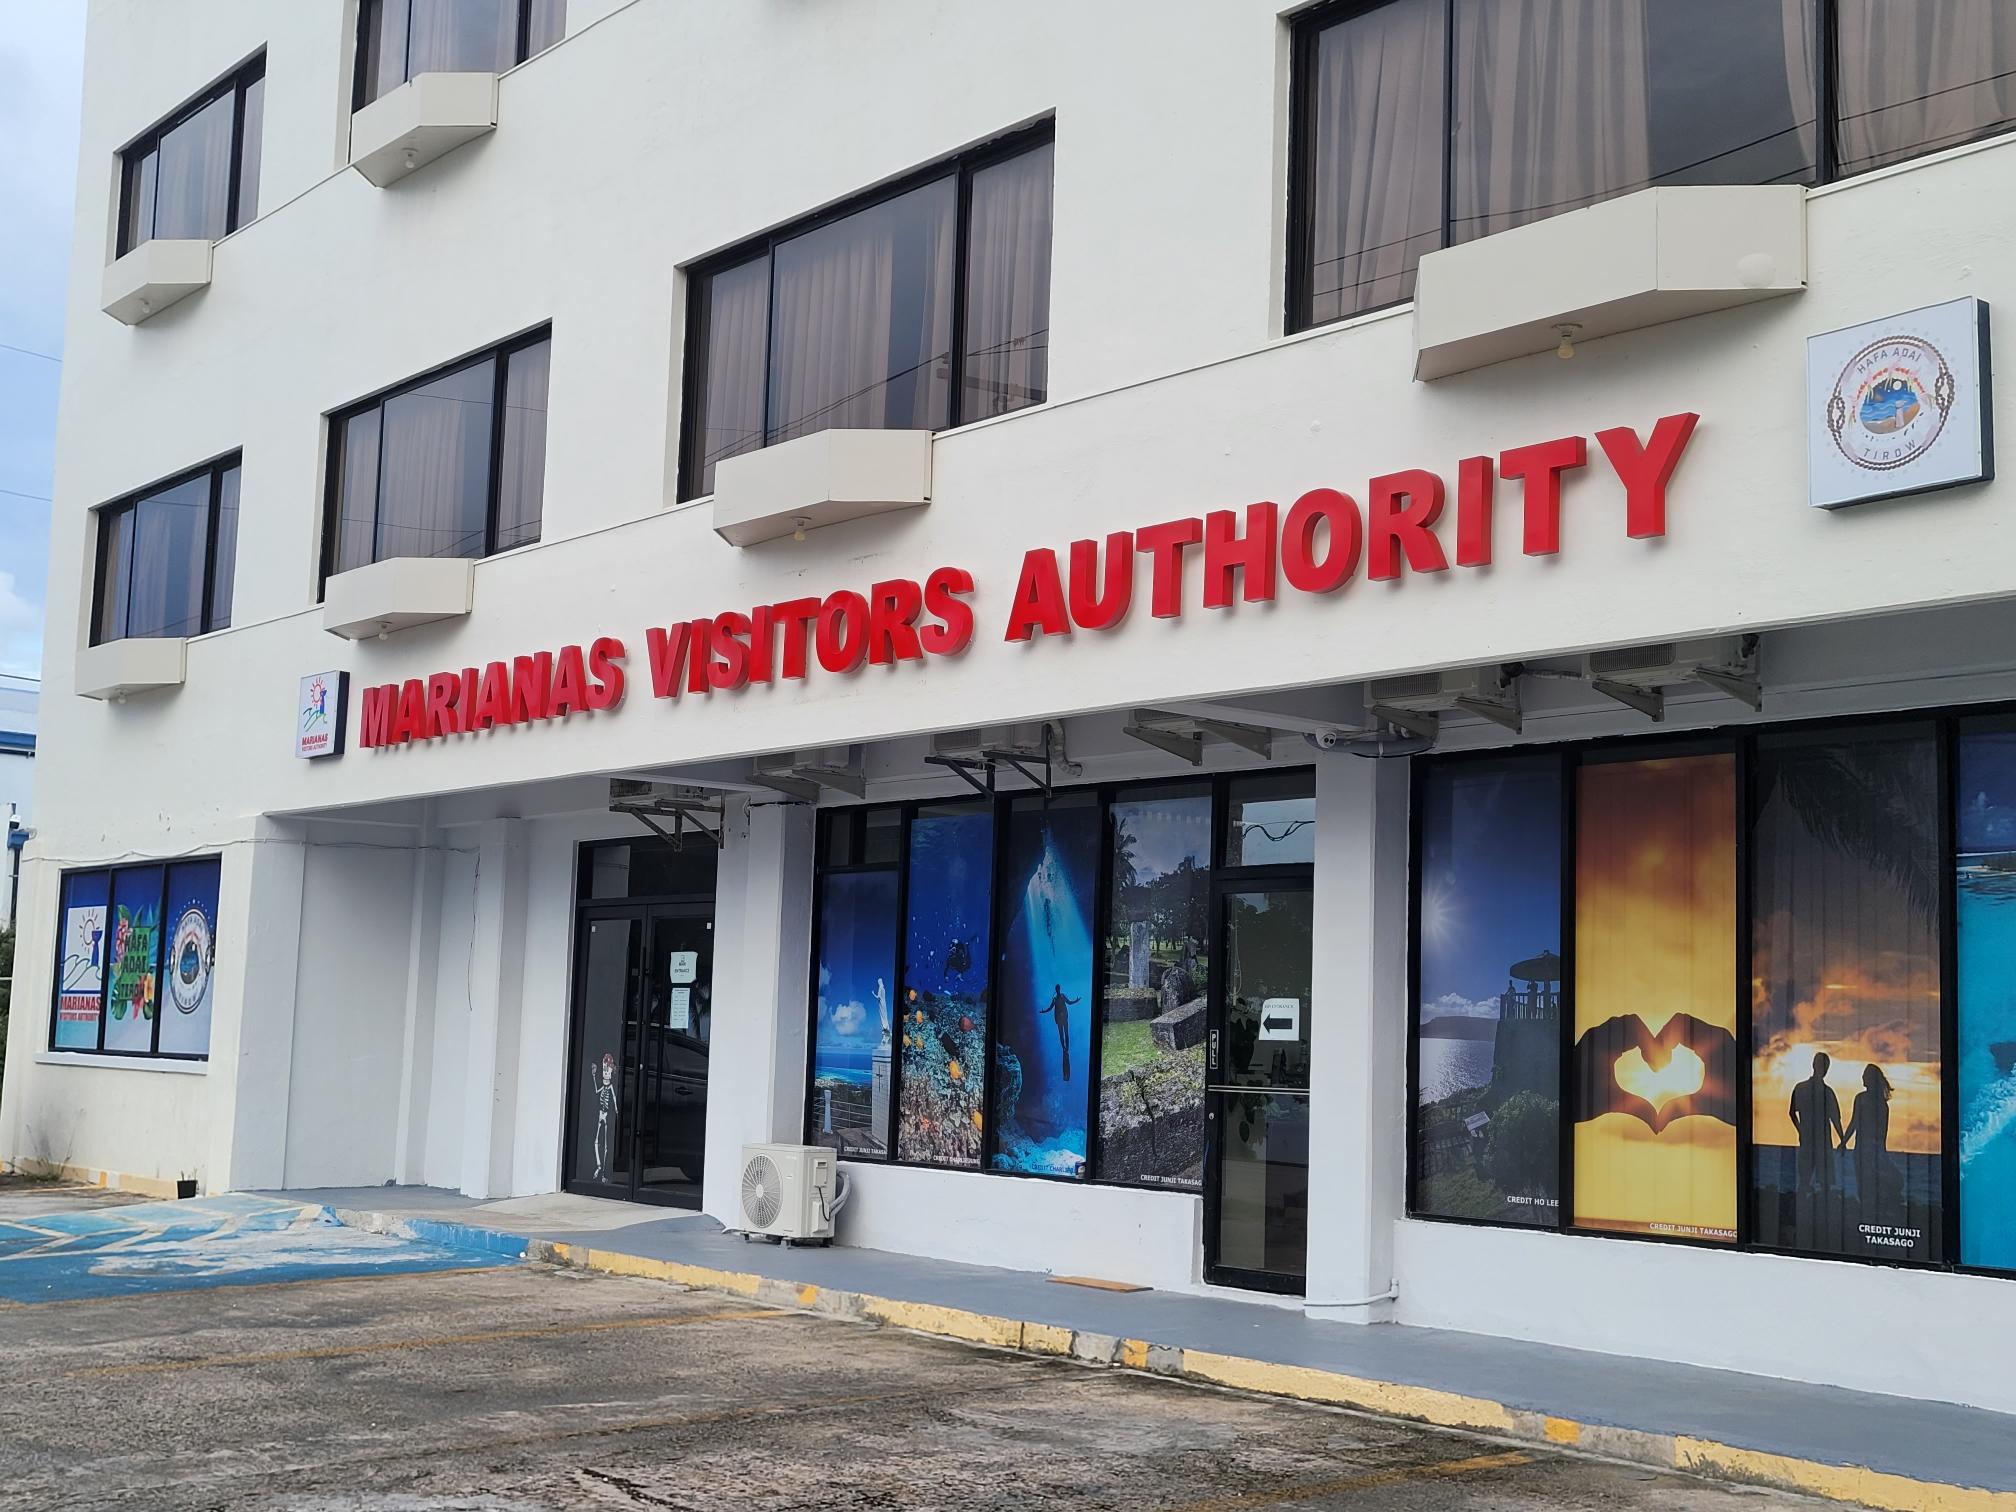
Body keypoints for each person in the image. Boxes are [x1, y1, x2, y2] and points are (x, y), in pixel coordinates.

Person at [1788, 1053, 1846, 1224]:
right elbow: (1835, 1120)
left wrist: (1801, 1131)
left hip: (1813, 1141)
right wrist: (1843, 1140)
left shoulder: (1804, 1088)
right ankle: (1817, 1215)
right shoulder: (1825, 1092)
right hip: (1818, 1142)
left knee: (1809, 1180)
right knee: (1820, 1181)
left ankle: (1807, 1213)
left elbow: (1792, 1114)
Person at [1842, 1062, 1895, 1219]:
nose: (1862, 1077)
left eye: (1865, 1075)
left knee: (1868, 1182)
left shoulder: (1875, 1102)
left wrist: (1845, 1141)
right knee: (1865, 1181)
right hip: (1864, 1148)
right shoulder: (1865, 1099)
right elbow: (1855, 1123)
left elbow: (1880, 1130)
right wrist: (1844, 1141)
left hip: (1869, 1149)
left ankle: (1869, 1213)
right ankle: (1867, 1212)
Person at [1047, 983, 1081, 1081]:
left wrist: (1076, 1000)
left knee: (1066, 1033)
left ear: (1059, 989)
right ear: (1056, 989)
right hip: (1058, 1018)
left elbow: (1069, 1002)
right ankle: (1064, 1048)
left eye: (1058, 988)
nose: (1058, 990)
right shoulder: (1054, 999)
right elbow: (1050, 1008)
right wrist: (1044, 1011)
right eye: (1057, 989)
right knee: (1061, 1034)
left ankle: (1067, 1048)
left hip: (1064, 1017)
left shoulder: (1062, 996)